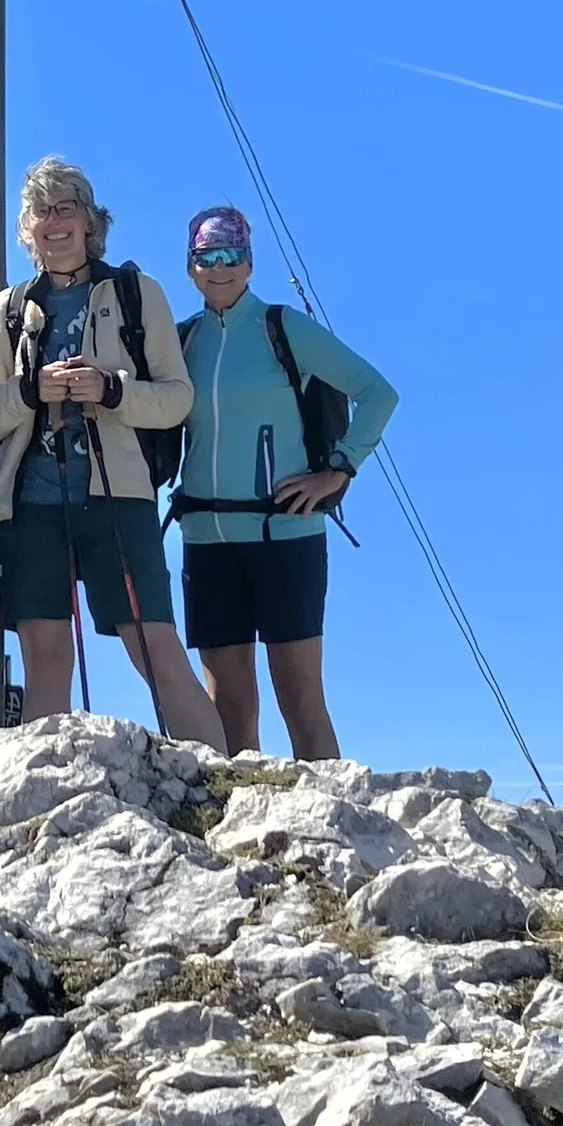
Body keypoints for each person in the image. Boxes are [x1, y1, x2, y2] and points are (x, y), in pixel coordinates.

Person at [0, 157, 223, 750]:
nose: (54, 221)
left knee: (154, 645)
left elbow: (177, 400)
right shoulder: (7, 309)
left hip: (120, 496)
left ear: (90, 220)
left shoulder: (138, 294)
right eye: (41, 211)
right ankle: (44, 800)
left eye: (67, 208)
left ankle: (224, 786)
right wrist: (32, 392)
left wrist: (110, 388)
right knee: (45, 654)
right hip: (29, 501)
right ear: (27, 229)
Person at [174, 203, 398, 759]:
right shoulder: (181, 342)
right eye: (206, 256)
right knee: (228, 709)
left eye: (232, 255)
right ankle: (237, 838)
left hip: (287, 537)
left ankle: (331, 827)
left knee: (301, 703)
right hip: (207, 541)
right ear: (190, 267)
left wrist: (338, 470)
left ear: (249, 265)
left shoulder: (281, 327)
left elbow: (377, 392)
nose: (219, 267)